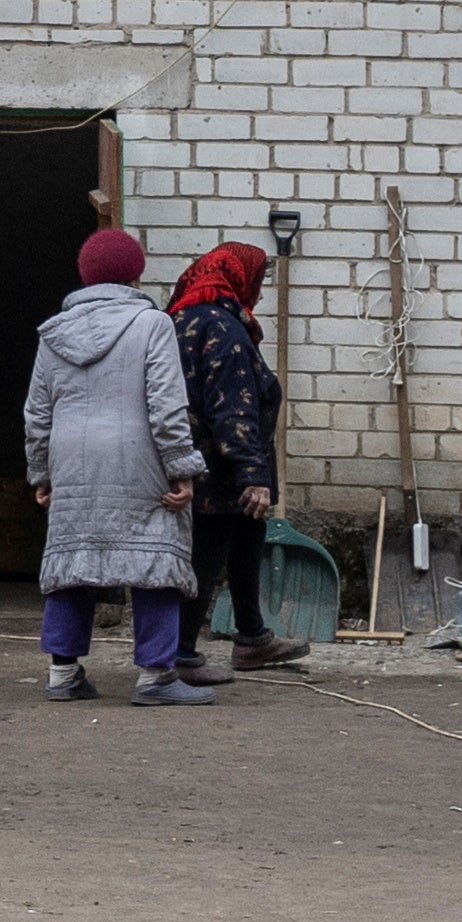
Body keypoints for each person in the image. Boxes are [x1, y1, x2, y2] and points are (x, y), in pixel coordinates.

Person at [27, 225, 216, 704]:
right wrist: (182, 468)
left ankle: (63, 674)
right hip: (139, 455)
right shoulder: (152, 325)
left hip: (72, 457)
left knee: (73, 556)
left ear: (86, 276)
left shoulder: (54, 333)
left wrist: (41, 473)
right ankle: (156, 677)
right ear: (136, 275)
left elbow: (37, 412)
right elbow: (167, 405)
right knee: (155, 556)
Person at [166, 239, 297, 673]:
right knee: (205, 556)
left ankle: (253, 637)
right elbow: (233, 404)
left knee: (247, 538)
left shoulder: (179, 318)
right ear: (243, 278)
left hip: (193, 456)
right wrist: (252, 474)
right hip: (220, 467)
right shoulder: (222, 326)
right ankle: (182, 653)